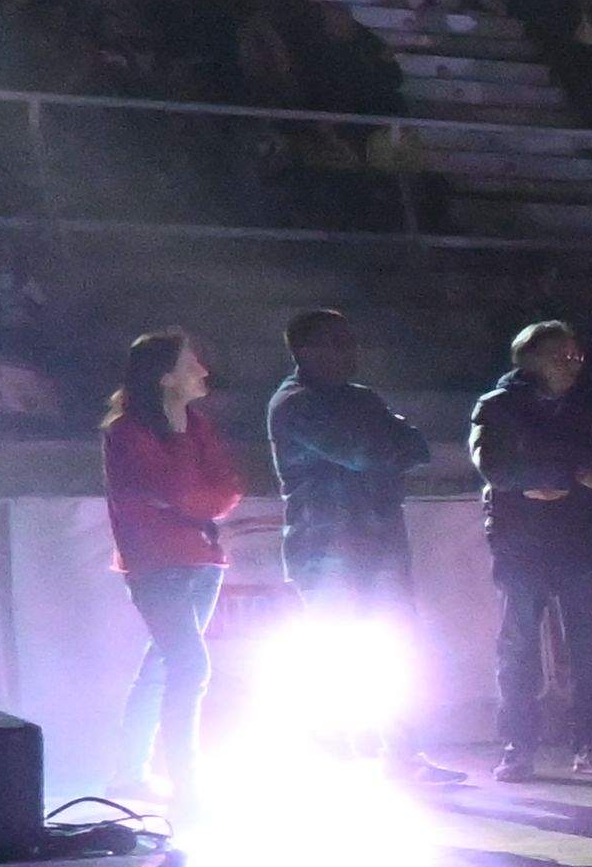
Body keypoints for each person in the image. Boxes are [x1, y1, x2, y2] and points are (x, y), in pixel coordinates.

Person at [470, 316, 592, 781]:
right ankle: (518, 746)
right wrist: (573, 474)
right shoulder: (498, 407)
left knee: (587, 647)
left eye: (577, 356)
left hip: (579, 540)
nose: (574, 364)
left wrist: (567, 478)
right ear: (531, 359)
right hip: (520, 545)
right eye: (563, 356)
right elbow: (498, 468)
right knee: (519, 645)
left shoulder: (590, 407)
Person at [101, 329, 239, 807]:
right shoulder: (127, 433)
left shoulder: (199, 426)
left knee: (163, 663)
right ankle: (187, 784)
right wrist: (180, 439)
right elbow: (184, 490)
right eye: (191, 364)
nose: (202, 371)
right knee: (186, 664)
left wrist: (195, 503)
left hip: (200, 560)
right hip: (158, 565)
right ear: (164, 378)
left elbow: (226, 488)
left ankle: (130, 774)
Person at [264, 308, 428, 677]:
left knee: (393, 654)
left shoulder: (363, 398)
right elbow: (358, 453)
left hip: (380, 539)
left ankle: (391, 734)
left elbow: (418, 446)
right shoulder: (295, 403)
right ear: (305, 350)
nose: (352, 351)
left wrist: (380, 448)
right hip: (326, 549)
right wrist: (384, 446)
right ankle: (338, 735)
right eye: (338, 343)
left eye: (351, 342)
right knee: (338, 658)